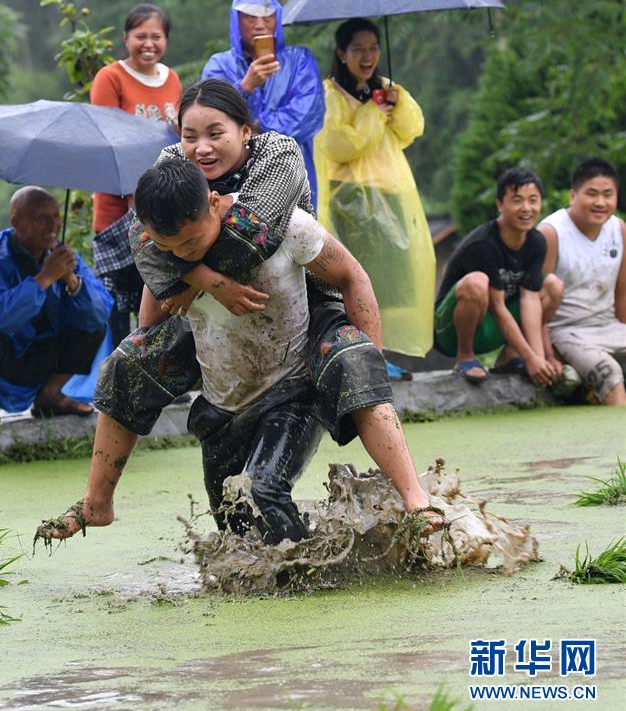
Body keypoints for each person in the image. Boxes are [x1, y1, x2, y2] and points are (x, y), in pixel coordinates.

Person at [37, 81, 442, 544]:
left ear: (245, 131)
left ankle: (415, 500)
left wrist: (369, 365)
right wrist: (190, 290)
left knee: (345, 370)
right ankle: (97, 502)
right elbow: (149, 261)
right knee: (234, 525)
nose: (202, 147)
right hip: (224, 361)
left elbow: (336, 269)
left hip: (303, 318)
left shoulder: (276, 176)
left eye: (216, 133)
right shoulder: (170, 186)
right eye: (191, 135)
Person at [316, 18, 435, 375]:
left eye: (373, 48)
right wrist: (372, 114)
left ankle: (383, 353)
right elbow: (339, 145)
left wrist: (397, 105)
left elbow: (412, 129)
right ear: (341, 53)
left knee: (394, 279)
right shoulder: (330, 94)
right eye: (358, 49)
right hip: (348, 198)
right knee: (356, 277)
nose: (367, 56)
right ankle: (360, 352)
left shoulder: (386, 89)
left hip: (390, 191)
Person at [0, 187, 113, 424]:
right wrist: (44, 278)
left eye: (56, 216)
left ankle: (50, 396)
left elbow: (100, 311)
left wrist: (71, 281)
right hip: (1, 358)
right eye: (42, 218)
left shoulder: (61, 257)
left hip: (41, 355)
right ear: (17, 222)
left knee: (94, 324)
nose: (53, 225)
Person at [90, 3, 181, 346]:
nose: (148, 43)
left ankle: (161, 369)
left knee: (161, 289)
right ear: (126, 38)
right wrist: (132, 189)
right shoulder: (110, 78)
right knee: (120, 298)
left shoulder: (171, 78)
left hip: (162, 205)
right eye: (140, 36)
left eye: (156, 36)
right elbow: (105, 138)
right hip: (118, 206)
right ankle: (122, 375)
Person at [202, 0, 324, 206]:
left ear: (276, 19)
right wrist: (244, 87)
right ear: (236, 20)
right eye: (250, 17)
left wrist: (255, 125)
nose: (259, 24)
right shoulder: (219, 65)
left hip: (293, 175)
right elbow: (209, 117)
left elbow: (306, 117)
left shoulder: (300, 61)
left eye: (267, 16)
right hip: (237, 181)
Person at [434, 167, 563, 385]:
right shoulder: (483, 244)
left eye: (533, 200)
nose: (526, 208)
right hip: (450, 332)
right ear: (500, 204)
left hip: (493, 327)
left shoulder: (537, 241)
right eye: (517, 200)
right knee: (477, 282)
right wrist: (532, 358)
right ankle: (465, 357)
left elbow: (530, 300)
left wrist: (538, 359)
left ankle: (510, 355)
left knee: (552, 285)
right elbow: (497, 306)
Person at [539, 158, 626, 406]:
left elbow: (622, 293)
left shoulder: (619, 229)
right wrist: (546, 355)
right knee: (609, 375)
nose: (600, 202)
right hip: (566, 331)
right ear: (573, 196)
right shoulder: (551, 232)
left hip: (609, 325)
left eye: (608, 194)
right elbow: (534, 300)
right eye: (592, 194)